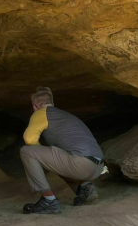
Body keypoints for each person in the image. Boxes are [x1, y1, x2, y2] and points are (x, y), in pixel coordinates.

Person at [20, 86, 106, 214]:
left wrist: (39, 157)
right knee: (58, 157)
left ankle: (48, 200)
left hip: (81, 165)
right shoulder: (66, 115)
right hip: (98, 166)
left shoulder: (40, 113)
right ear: (53, 104)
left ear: (34, 107)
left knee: (26, 151)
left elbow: (29, 139)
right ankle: (85, 189)